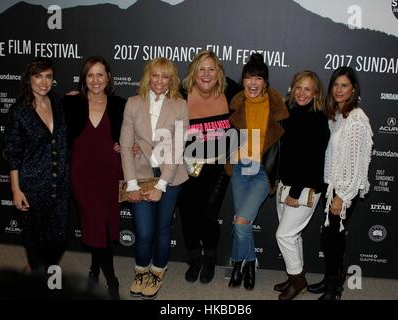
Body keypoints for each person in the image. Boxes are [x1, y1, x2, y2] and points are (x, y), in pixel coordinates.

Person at [120, 57, 189, 299]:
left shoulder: (180, 105)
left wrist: (162, 184)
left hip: (171, 176)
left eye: (165, 76)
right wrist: (130, 183)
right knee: (144, 232)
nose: (160, 81)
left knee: (161, 229)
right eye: (155, 75)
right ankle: (141, 270)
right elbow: (126, 145)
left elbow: (178, 147)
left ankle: (157, 271)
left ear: (172, 80)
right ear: (147, 76)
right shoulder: (132, 103)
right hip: (139, 174)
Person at [62, 55, 125, 299]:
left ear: (108, 77)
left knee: (105, 227)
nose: (96, 80)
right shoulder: (71, 104)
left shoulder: (120, 104)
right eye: (90, 75)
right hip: (82, 175)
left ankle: (94, 268)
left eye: (100, 74)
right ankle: (112, 281)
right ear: (84, 79)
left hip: (110, 175)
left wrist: (126, 145)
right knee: (96, 223)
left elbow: (132, 135)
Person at [307, 66, 373, 300]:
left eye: (344, 85)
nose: (338, 89)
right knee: (330, 238)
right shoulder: (337, 115)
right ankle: (330, 280)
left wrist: (341, 196)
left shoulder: (356, 119)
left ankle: (333, 289)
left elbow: (357, 164)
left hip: (344, 191)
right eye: (335, 84)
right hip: (333, 187)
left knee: (333, 240)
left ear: (353, 89)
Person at [178, 51, 241, 284]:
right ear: (194, 72)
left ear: (219, 72)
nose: (206, 74)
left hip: (218, 167)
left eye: (211, 69)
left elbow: (258, 97)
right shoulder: (180, 93)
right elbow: (150, 105)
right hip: (185, 167)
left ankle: (210, 259)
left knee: (209, 213)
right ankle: (194, 258)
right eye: (201, 69)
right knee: (187, 214)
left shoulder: (231, 90)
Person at [227, 53, 289, 290]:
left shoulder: (277, 107)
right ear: (242, 80)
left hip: (264, 170)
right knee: (241, 221)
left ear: (266, 82)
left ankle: (241, 263)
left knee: (241, 221)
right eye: (248, 77)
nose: (253, 83)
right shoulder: (235, 104)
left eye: (258, 78)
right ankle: (247, 264)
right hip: (241, 168)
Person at [3, 57, 69, 273]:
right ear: (28, 79)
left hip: (59, 184)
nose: (43, 82)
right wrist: (15, 188)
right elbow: (12, 152)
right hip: (31, 185)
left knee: (59, 239)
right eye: (38, 76)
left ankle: (36, 269)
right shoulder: (18, 111)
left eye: (48, 77)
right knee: (34, 239)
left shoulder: (59, 103)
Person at [273, 71, 330, 300]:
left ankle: (298, 280)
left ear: (316, 93)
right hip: (285, 184)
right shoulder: (289, 112)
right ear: (292, 88)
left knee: (284, 235)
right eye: (298, 87)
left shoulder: (318, 119)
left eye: (307, 89)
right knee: (293, 236)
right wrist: (277, 182)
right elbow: (285, 154)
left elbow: (312, 161)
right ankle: (294, 275)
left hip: (304, 188)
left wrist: (294, 193)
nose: (302, 93)